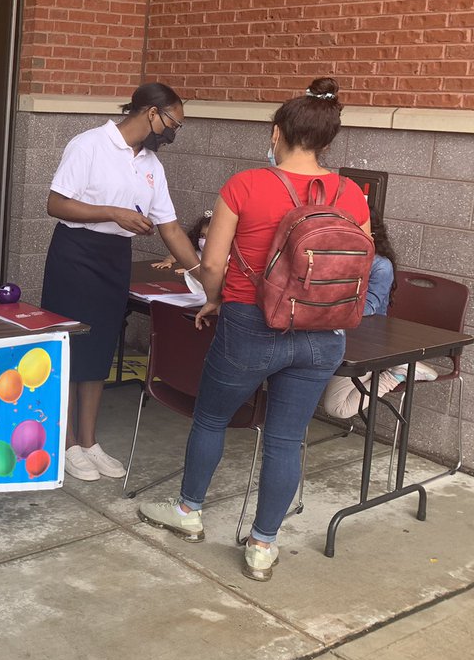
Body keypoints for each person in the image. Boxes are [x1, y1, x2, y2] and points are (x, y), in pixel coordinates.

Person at [139, 77, 371, 582]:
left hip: (252, 324)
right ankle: (263, 546)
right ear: (328, 141)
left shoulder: (245, 185)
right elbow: (360, 264)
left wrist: (216, 300)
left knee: (211, 419)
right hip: (324, 334)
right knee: (286, 440)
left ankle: (188, 512)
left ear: (275, 133)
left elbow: (213, 264)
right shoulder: (352, 193)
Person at [42, 82, 201, 482]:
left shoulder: (151, 165)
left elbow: (172, 229)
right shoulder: (89, 145)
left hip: (115, 257)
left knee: (100, 349)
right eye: (172, 124)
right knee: (72, 347)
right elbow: (56, 203)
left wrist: (205, 274)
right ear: (151, 112)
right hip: (75, 254)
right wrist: (112, 212)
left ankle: (89, 442)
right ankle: (65, 444)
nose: (172, 134)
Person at [319, 208, 409, 419]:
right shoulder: (337, 256)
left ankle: (396, 374)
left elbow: (368, 308)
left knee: (337, 408)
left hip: (365, 342)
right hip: (335, 334)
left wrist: (326, 302)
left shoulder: (381, 266)